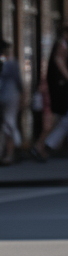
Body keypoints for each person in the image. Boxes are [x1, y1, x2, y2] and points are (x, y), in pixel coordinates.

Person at [33, 24, 68, 162]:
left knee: (64, 117)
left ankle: (45, 144)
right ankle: (42, 145)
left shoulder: (62, 44)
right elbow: (59, 61)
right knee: (57, 118)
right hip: (58, 88)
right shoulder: (62, 45)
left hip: (57, 87)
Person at [0, 37, 24, 165]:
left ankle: (8, 152)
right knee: (9, 123)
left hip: (6, 96)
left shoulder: (7, 63)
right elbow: (18, 82)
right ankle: (11, 151)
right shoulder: (12, 63)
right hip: (10, 96)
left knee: (7, 124)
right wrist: (22, 97)